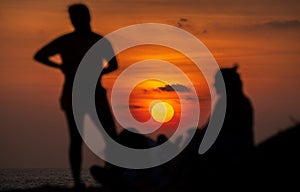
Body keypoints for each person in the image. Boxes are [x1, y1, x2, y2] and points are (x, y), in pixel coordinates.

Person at [33, 4, 118, 188]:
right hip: (74, 96)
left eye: (77, 17)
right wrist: (60, 67)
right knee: (77, 138)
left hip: (95, 95)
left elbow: (114, 64)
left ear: (86, 18)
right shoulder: (67, 41)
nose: (75, 21)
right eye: (73, 17)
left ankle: (108, 174)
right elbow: (39, 55)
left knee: (109, 135)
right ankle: (78, 180)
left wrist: (98, 72)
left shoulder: (98, 41)